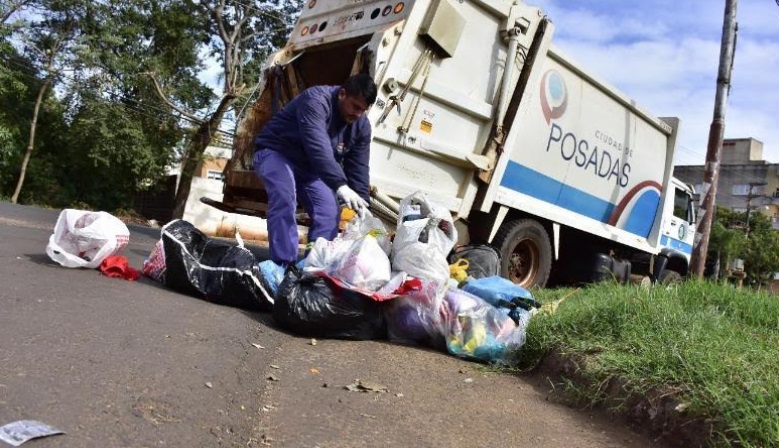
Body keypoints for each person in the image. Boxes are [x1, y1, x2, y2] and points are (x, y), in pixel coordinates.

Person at [253, 73, 378, 267]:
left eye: (363, 110)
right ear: (342, 94)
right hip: (276, 153)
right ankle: (284, 265)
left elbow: (359, 165)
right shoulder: (316, 100)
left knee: (329, 212)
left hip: (310, 169)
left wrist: (362, 202)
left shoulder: (361, 126)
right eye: (355, 106)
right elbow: (317, 145)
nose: (358, 114)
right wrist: (339, 185)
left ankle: (314, 266)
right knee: (285, 196)